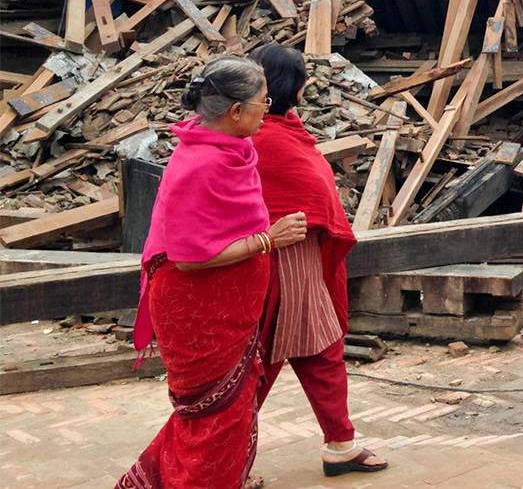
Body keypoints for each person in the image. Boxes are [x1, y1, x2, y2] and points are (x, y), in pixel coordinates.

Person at [117, 56, 308, 489]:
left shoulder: (230, 150)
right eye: (264, 102)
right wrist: (269, 240)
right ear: (236, 111)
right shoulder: (200, 165)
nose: (271, 109)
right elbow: (190, 257)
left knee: (227, 414)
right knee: (215, 419)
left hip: (229, 311)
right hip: (197, 312)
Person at [249, 43, 389, 478]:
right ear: (299, 88)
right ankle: (223, 458)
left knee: (320, 351)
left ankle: (341, 443)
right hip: (278, 261)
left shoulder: (279, 130)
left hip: (298, 259)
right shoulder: (262, 138)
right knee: (262, 363)